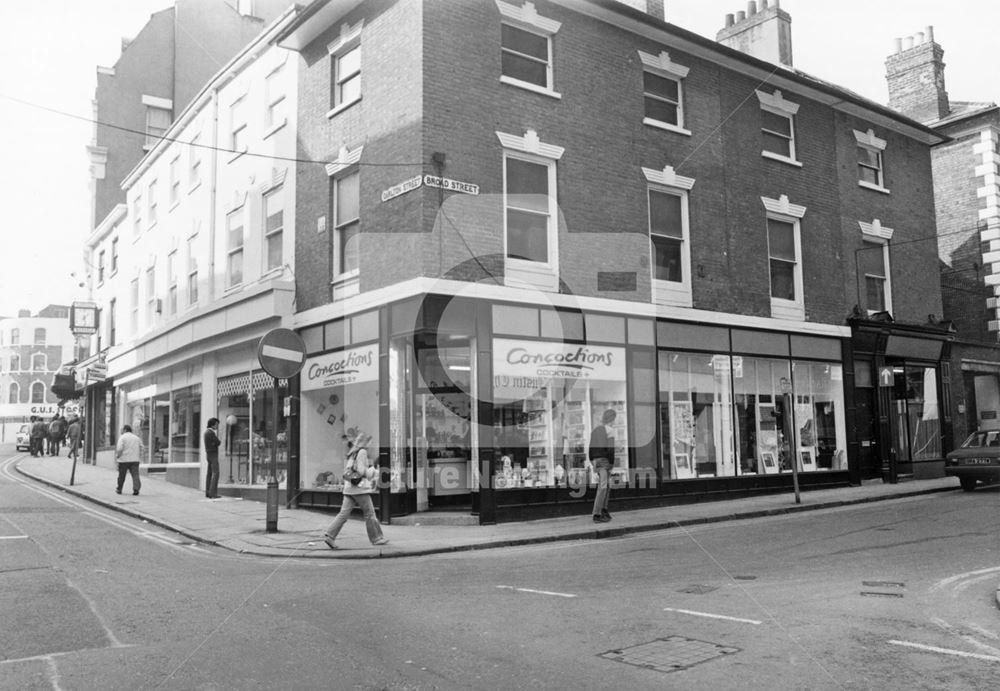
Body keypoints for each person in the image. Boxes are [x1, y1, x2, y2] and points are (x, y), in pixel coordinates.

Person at [323, 433, 388, 549]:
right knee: (370, 513)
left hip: (349, 488)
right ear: (365, 442)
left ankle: (330, 535)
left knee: (343, 514)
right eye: (369, 442)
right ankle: (376, 538)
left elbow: (349, 469)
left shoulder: (352, 452)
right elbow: (362, 471)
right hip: (359, 489)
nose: (370, 444)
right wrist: (373, 471)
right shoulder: (362, 452)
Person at [589, 408, 617, 523]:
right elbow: (611, 450)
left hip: (596, 460)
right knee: (603, 487)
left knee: (606, 486)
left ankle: (604, 510)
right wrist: (611, 463)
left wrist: (592, 461)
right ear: (612, 419)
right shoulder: (610, 430)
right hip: (605, 461)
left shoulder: (595, 430)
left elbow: (590, 448)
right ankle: (597, 514)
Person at [115, 425, 142, 496]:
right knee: (135, 475)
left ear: (125, 430)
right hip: (135, 460)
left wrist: (118, 456)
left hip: (124, 460)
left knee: (122, 475)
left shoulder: (122, 437)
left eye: (122, 429)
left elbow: (119, 448)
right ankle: (136, 489)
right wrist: (139, 456)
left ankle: (119, 489)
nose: (121, 431)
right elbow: (142, 447)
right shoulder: (137, 438)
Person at [204, 417, 221, 499]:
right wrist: (216, 443)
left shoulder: (206, 432)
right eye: (216, 424)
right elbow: (218, 442)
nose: (217, 426)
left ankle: (208, 491)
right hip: (213, 454)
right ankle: (213, 493)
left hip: (208, 454)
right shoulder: (211, 433)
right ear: (213, 424)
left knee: (209, 473)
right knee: (216, 473)